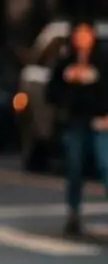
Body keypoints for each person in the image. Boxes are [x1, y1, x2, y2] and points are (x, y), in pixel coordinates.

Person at [46, 21, 108, 237]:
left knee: (105, 164)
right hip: (75, 122)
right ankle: (73, 212)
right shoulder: (65, 62)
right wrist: (68, 79)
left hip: (101, 121)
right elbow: (51, 94)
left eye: (86, 33)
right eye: (78, 33)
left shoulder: (102, 61)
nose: (82, 38)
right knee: (74, 166)